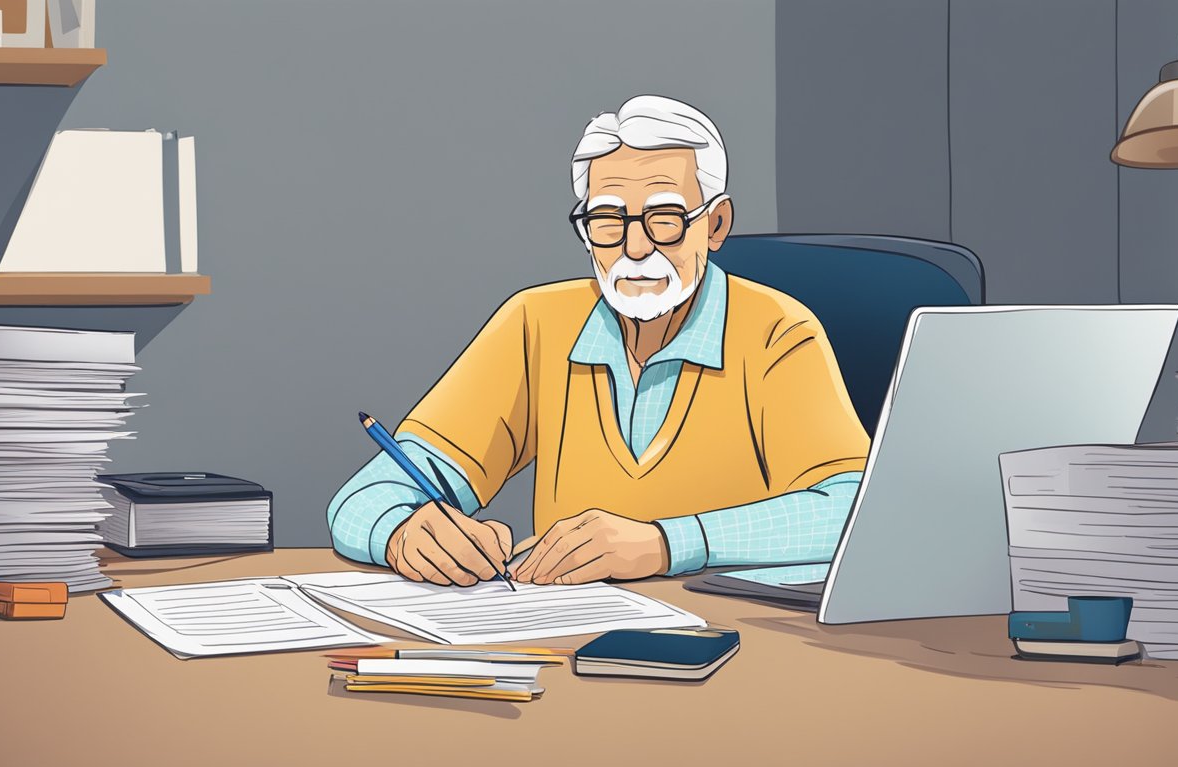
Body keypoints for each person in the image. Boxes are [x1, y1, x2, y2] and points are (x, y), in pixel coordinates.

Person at [328, 95, 869, 586]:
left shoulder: (779, 331)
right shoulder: (534, 323)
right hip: (569, 641)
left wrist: (663, 545)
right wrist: (405, 531)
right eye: (607, 219)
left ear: (717, 223)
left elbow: (855, 510)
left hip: (741, 643)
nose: (635, 247)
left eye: (664, 219)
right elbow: (363, 497)